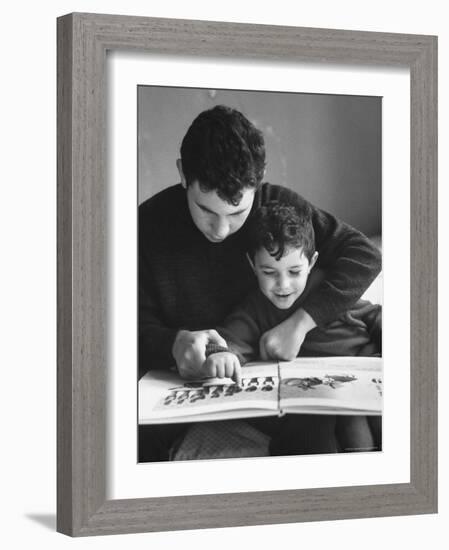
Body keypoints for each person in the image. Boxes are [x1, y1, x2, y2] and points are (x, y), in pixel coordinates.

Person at [138, 104, 381, 461]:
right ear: (182, 174)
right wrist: (170, 343)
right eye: (205, 210)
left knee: (325, 432)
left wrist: (301, 324)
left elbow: (364, 255)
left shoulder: (278, 208)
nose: (220, 230)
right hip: (195, 380)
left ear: (260, 178)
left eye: (236, 213)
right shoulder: (146, 226)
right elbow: (118, 326)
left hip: (291, 382)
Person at [204, 201, 381, 454]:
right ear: (253, 265)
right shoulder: (254, 309)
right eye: (269, 272)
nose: (283, 285)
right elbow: (229, 341)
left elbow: (376, 316)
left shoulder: (329, 293)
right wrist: (220, 354)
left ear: (312, 262)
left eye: (294, 271)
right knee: (319, 431)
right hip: (314, 401)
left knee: (372, 426)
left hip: (362, 376)